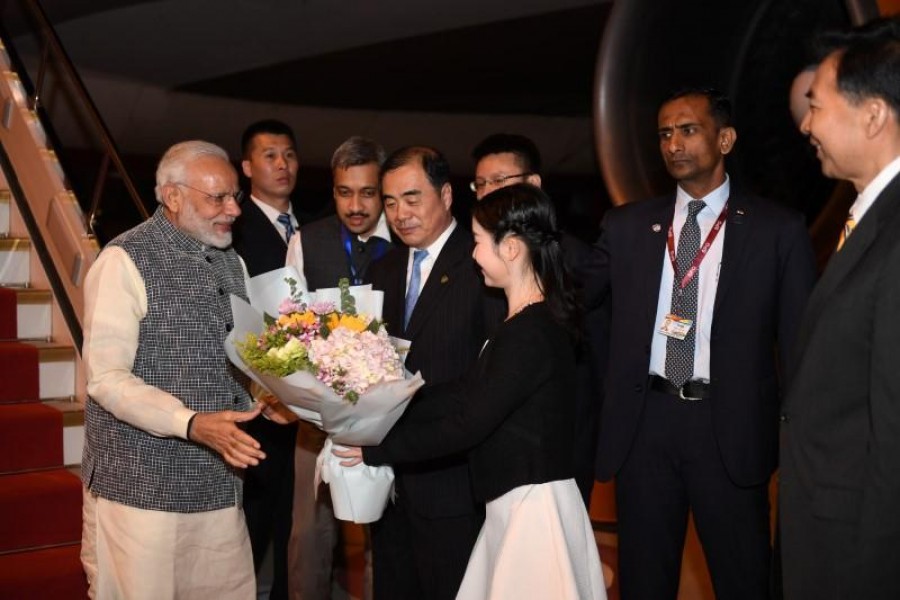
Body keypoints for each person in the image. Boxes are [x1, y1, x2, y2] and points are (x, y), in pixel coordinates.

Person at [586, 88, 816, 599]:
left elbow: (801, 345)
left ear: (725, 138)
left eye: (688, 130)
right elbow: (583, 307)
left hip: (728, 426)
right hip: (645, 425)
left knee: (744, 580)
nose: (673, 144)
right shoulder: (627, 226)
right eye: (665, 133)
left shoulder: (778, 229)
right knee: (644, 582)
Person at [336, 183, 606, 599]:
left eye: (478, 242)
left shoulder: (530, 331)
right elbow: (463, 393)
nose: (472, 253)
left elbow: (467, 423)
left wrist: (375, 449)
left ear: (511, 248)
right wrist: (386, 406)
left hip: (531, 512)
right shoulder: (522, 322)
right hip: (513, 502)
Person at [80, 140, 268, 598]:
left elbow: (237, 358)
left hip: (220, 486)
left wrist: (268, 397)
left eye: (235, 196)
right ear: (173, 197)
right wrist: (190, 423)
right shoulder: (124, 260)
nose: (234, 210)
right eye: (217, 198)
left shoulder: (232, 262)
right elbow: (106, 379)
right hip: (140, 490)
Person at [780, 18, 900, 599]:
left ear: (873, 115)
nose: (806, 126)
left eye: (816, 106)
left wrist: (871, 574)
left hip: (859, 555)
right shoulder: (868, 221)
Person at [362, 145, 506, 600]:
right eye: (389, 202)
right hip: (387, 483)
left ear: (445, 195)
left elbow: (489, 378)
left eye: (411, 198)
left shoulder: (483, 263)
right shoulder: (382, 268)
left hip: (454, 482)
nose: (400, 213)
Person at [471, 132, 606, 507]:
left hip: (554, 453)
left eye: (498, 181)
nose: (486, 192)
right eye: (479, 183)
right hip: (492, 445)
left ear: (533, 185)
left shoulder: (579, 264)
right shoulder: (479, 263)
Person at [286, 136, 392, 599]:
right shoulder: (306, 241)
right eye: (344, 192)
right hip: (318, 417)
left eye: (367, 193)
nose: (355, 204)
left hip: (392, 419)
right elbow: (286, 327)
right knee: (309, 538)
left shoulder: (407, 241)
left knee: (387, 538)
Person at [232, 119, 301, 599]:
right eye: (270, 155)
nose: (282, 164)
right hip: (253, 396)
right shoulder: (231, 228)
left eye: (290, 155)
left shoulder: (314, 229)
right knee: (254, 520)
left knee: (294, 521)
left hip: (308, 400)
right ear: (247, 166)